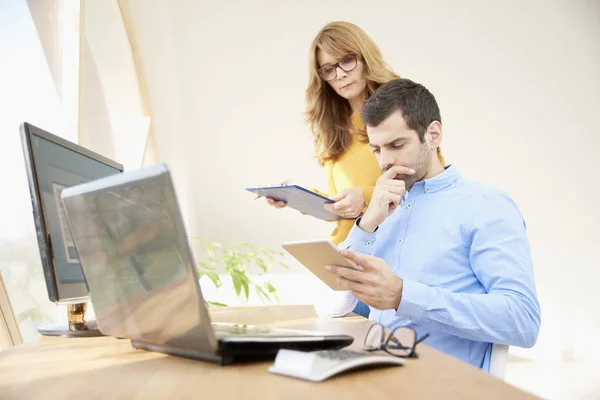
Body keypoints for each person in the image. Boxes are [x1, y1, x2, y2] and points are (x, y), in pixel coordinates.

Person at [324, 78, 541, 371]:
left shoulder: (486, 205)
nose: (385, 161)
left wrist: (403, 296)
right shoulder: (384, 210)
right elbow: (339, 306)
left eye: (397, 145)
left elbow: (522, 320)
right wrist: (366, 225)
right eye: (377, 149)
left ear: (433, 134)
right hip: (374, 377)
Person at [267, 21, 445, 317]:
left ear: (364, 56)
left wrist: (364, 196)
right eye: (328, 69)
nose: (340, 75)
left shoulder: (402, 107)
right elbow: (343, 207)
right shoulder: (332, 126)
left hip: (389, 260)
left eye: (346, 61)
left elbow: (428, 179)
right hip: (345, 257)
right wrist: (301, 199)